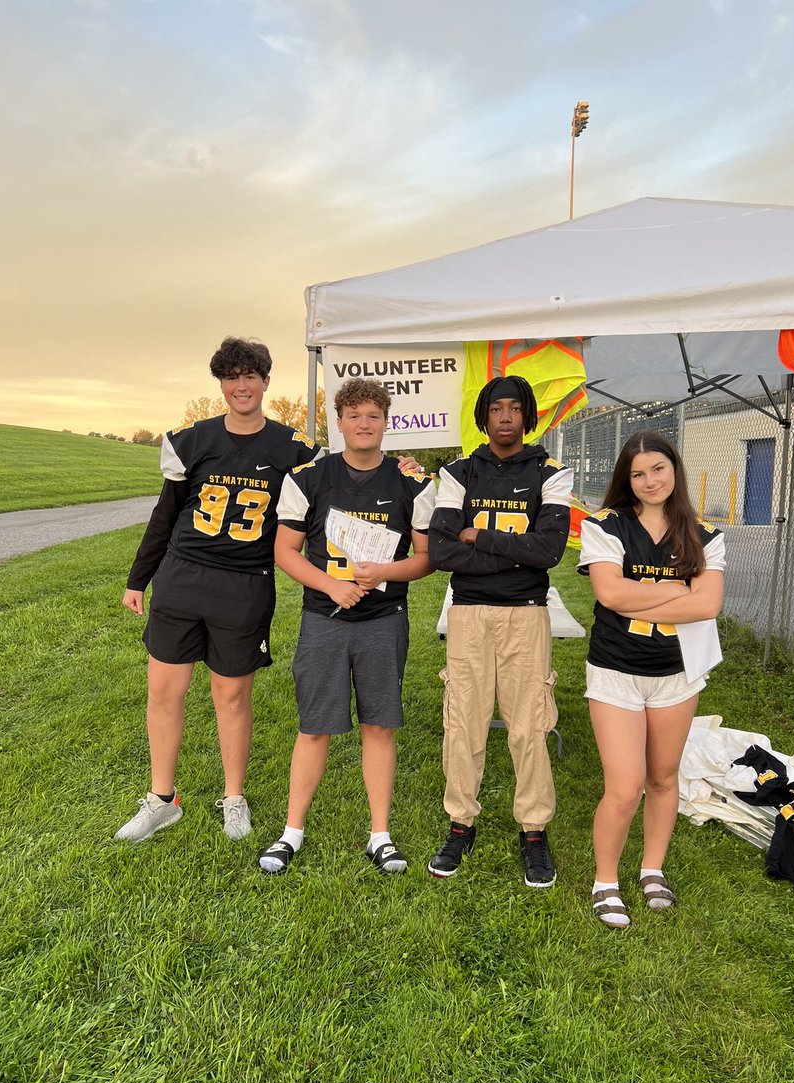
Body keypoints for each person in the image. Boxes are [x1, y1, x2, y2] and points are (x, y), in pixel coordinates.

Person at [115, 337, 323, 843]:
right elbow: (166, 514)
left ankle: (234, 796)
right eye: (232, 376)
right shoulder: (192, 440)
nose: (241, 385)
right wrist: (138, 577)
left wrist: (398, 474)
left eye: (250, 375)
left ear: (266, 381)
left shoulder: (293, 449)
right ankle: (162, 798)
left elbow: (321, 511)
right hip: (183, 576)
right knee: (165, 691)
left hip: (245, 584)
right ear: (221, 383)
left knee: (231, 696)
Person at [258, 377, 436, 876]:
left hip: (383, 619)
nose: (364, 424)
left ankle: (380, 835)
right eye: (354, 415)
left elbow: (426, 560)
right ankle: (292, 830)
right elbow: (284, 551)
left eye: (373, 415)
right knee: (314, 726)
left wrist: (384, 571)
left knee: (379, 726)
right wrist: (331, 586)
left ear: (386, 422)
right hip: (325, 618)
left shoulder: (412, 483)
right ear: (339, 423)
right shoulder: (310, 477)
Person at [426, 376, 573, 888]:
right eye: (496, 408)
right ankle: (460, 821)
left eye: (515, 408)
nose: (505, 417)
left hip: (526, 613)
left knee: (530, 726)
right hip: (469, 612)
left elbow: (549, 551)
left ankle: (534, 830)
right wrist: (512, 550)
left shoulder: (550, 471)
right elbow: (443, 552)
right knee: (462, 721)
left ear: (527, 416)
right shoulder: (459, 471)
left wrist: (479, 536)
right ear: (483, 416)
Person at [577, 430, 725, 928]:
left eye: (658, 468)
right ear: (627, 478)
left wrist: (642, 588)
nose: (649, 480)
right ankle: (605, 881)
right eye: (638, 473)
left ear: (675, 470)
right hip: (617, 668)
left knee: (663, 778)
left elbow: (709, 604)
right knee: (625, 785)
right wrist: (674, 588)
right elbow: (610, 596)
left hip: (675, 672)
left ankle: (652, 868)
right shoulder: (607, 526)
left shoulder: (704, 534)